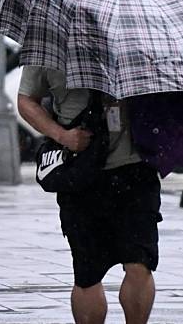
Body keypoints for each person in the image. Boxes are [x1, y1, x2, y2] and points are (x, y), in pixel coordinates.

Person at [17, 67, 162, 324]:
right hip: (80, 172)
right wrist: (62, 136)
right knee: (87, 272)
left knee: (140, 262)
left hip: (135, 169)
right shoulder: (51, 41)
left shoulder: (137, 36)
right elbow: (26, 100)